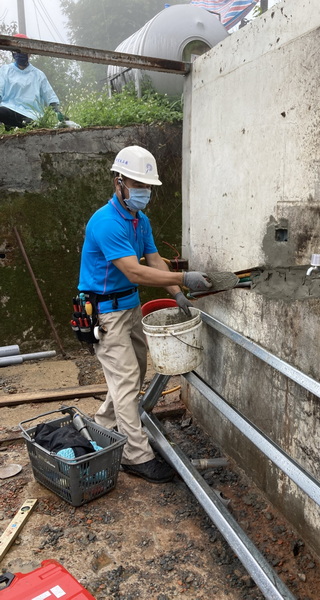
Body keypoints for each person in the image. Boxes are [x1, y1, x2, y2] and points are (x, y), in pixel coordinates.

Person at [78, 145, 212, 484]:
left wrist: (177, 294)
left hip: (130, 307)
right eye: (138, 184)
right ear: (119, 182)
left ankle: (102, 428)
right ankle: (136, 456)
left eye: (148, 186)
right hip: (105, 313)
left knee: (134, 374)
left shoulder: (140, 220)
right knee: (125, 381)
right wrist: (184, 277)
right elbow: (135, 271)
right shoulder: (106, 222)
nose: (144, 191)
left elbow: (153, 260)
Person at [0, 33, 63, 130]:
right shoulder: (5, 71)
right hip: (9, 110)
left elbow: (50, 96)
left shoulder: (38, 75)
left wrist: (57, 112)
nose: (20, 54)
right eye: (17, 50)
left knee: (31, 123)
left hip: (31, 115)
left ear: (30, 53)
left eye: (23, 50)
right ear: (12, 52)